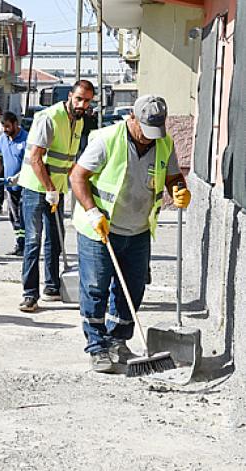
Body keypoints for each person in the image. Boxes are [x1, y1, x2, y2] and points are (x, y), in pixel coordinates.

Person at [69, 95, 190, 373]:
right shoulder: (106, 139)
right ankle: (97, 346)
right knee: (96, 289)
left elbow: (172, 177)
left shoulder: (164, 144)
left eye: (155, 132)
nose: (149, 138)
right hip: (100, 229)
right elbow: (78, 176)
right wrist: (92, 212)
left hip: (138, 231)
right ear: (132, 118)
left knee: (132, 290)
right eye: (145, 130)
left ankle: (117, 341)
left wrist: (179, 190)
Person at [16, 80, 94, 313]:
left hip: (57, 189)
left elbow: (67, 160)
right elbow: (36, 158)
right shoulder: (49, 118)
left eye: (87, 101)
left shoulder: (78, 122)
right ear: (71, 96)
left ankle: (51, 286)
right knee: (32, 241)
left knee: (55, 240)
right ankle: (30, 294)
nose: (82, 104)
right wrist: (49, 188)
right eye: (79, 99)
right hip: (36, 188)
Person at [0, 111, 28, 256]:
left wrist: (19, 177)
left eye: (8, 126)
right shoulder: (3, 139)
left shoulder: (26, 139)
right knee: (14, 216)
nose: (6, 130)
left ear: (15, 124)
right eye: (3, 127)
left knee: (24, 216)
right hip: (9, 185)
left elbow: (31, 163)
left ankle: (25, 244)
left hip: (25, 185)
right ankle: (20, 243)